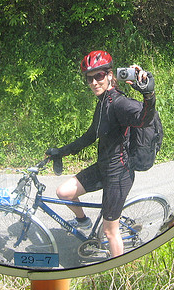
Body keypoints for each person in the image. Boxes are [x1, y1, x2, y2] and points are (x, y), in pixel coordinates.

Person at [45, 50, 156, 257]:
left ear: (110, 75)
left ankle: (120, 269)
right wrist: (61, 152)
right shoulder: (103, 101)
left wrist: (148, 95)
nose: (94, 82)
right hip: (103, 167)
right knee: (64, 192)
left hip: (118, 174)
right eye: (90, 78)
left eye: (99, 76)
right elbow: (90, 136)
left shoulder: (119, 103)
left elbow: (144, 119)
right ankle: (83, 222)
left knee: (110, 232)